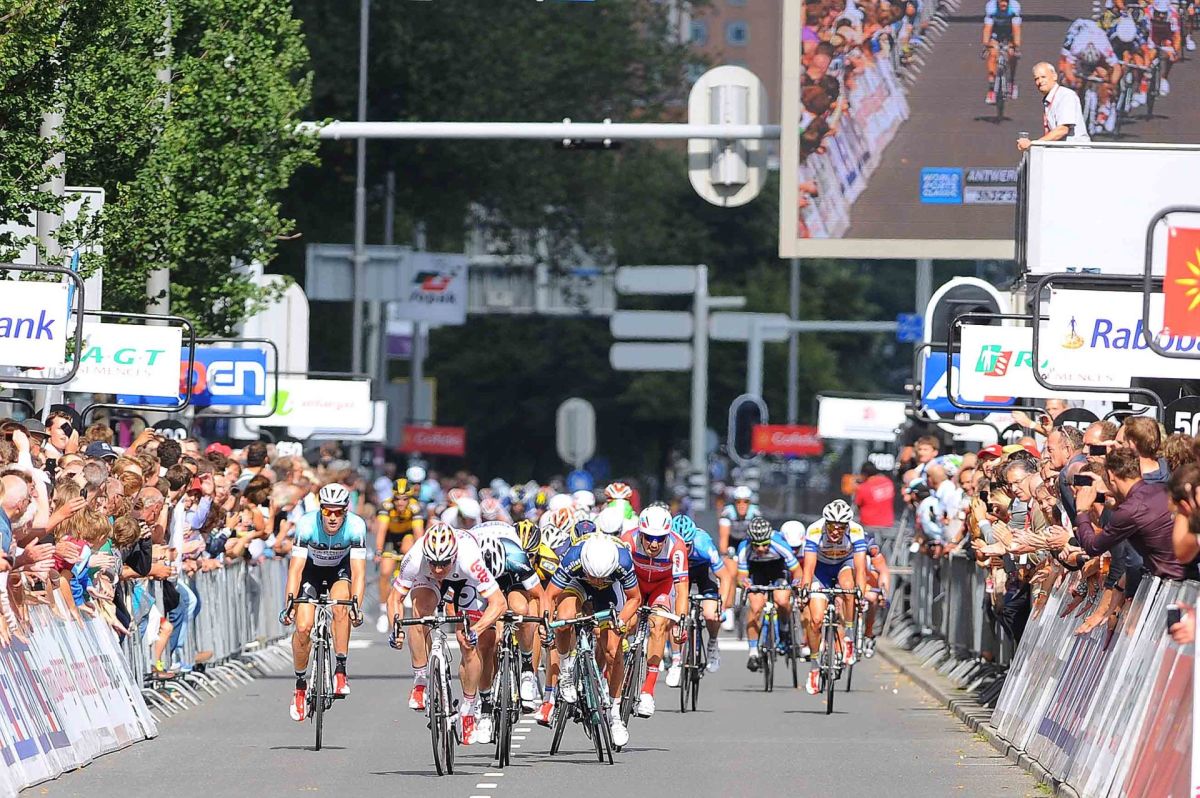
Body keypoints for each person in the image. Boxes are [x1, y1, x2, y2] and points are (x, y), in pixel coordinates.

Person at [387, 521, 508, 745]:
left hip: (465, 581)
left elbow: (499, 603)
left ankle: (468, 709)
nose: (438, 569)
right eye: (433, 563)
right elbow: (395, 598)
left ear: (454, 556)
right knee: (420, 614)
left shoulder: (470, 559)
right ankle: (420, 681)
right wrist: (395, 626)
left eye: (443, 563)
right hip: (427, 583)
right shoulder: (416, 557)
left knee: (467, 642)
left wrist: (477, 629)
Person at [544, 534, 641, 748]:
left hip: (611, 590)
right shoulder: (573, 558)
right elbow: (549, 595)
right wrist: (547, 624)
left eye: (601, 577)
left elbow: (635, 598)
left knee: (613, 651)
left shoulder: (623, 561)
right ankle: (566, 671)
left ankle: (615, 715)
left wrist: (621, 621)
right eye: (593, 576)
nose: (597, 581)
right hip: (578, 584)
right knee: (564, 619)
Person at [280, 483, 367, 722]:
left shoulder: (356, 526)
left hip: (340, 570)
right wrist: (289, 604)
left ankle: (340, 669)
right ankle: (300, 686)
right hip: (311, 572)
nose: (332, 517)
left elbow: (359, 572)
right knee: (303, 627)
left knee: (342, 607)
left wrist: (356, 606)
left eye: (338, 512)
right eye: (327, 511)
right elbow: (295, 570)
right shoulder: (306, 524)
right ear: (321, 510)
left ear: (346, 511)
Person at [619, 506, 688, 718]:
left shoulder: (677, 547)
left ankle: (648, 691)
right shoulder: (628, 540)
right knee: (624, 625)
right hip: (635, 586)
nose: (654, 544)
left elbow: (681, 589)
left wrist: (680, 623)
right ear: (640, 533)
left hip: (661, 587)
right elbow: (617, 581)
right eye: (649, 538)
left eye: (660, 538)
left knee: (658, 625)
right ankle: (609, 675)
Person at [799, 500, 868, 694]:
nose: (836, 531)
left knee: (848, 587)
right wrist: (805, 590)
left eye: (841, 527)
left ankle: (848, 636)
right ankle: (814, 667)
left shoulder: (856, 531)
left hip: (844, 565)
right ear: (825, 523)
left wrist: (860, 594)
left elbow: (860, 569)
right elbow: (808, 568)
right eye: (831, 526)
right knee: (816, 620)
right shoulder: (814, 530)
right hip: (820, 570)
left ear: (847, 526)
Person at [737, 516, 803, 673]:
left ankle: (784, 626)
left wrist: (796, 584)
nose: (761, 549)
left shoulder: (779, 543)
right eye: (756, 545)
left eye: (765, 544)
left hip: (778, 571)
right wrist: (745, 582)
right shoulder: (744, 548)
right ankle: (753, 652)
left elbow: (796, 570)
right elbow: (741, 576)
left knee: (782, 600)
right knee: (755, 607)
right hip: (757, 573)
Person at [668, 514, 730, 676]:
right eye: (680, 544)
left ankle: (712, 643)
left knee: (710, 614)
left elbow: (725, 577)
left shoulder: (704, 545)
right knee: (673, 616)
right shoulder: (666, 546)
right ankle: (676, 660)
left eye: (687, 545)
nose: (683, 549)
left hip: (703, 574)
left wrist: (721, 607)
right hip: (680, 575)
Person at [373, 477, 425, 633]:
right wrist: (379, 551)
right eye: (397, 499)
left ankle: (407, 583)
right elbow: (381, 530)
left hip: (406, 535)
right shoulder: (386, 506)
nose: (400, 503)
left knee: (409, 545)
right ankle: (383, 611)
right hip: (390, 536)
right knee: (385, 572)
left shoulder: (415, 508)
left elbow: (419, 534)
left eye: (404, 499)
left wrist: (420, 554)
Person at [1017, 62, 1090, 152]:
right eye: (1036, 79)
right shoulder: (1049, 100)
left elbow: (1062, 130)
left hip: (1076, 153)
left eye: (1043, 77)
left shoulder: (1065, 95)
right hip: (1062, 153)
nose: (1040, 81)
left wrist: (1033, 145)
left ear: (1055, 76)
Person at [982, 0, 1022, 104]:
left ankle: (1011, 82)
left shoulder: (1014, 7)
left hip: (1009, 32)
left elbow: (1016, 29)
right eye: (1001, 1)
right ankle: (991, 89)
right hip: (996, 32)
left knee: (1012, 54)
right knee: (992, 55)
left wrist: (1016, 46)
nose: (1004, 4)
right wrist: (986, 45)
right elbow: (987, 28)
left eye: (1006, 1)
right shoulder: (991, 7)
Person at [854, 461, 895, 527]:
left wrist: (858, 487)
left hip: (869, 525)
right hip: (888, 524)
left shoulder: (863, 488)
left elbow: (858, 505)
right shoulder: (888, 481)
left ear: (864, 474)